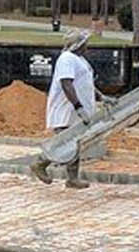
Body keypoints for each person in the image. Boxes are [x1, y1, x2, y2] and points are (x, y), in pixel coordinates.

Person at [31, 31, 96, 187]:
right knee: (65, 143)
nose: (87, 46)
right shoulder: (66, 59)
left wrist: (102, 97)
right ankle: (40, 163)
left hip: (76, 111)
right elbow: (66, 83)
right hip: (66, 110)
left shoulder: (79, 60)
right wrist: (78, 106)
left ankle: (72, 179)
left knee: (75, 143)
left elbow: (86, 82)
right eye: (85, 43)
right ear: (78, 45)